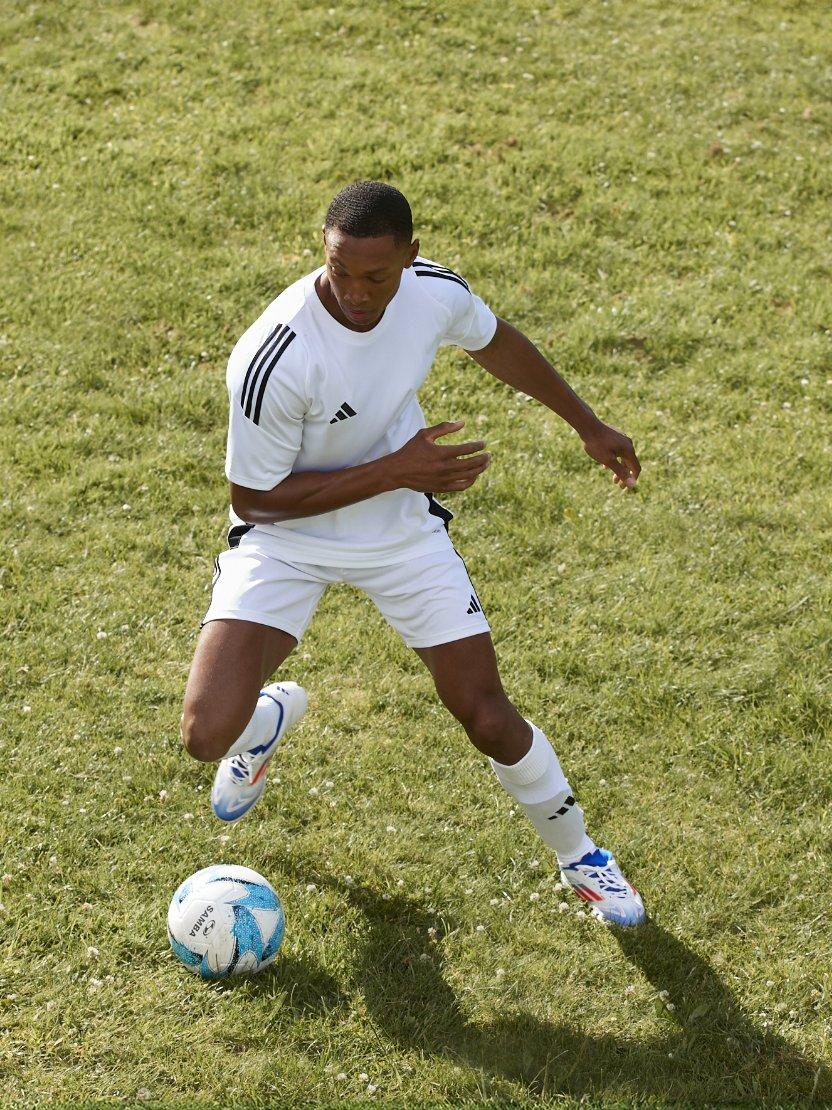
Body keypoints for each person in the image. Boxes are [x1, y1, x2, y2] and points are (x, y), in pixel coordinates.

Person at [180, 180, 645, 926]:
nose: (357, 292)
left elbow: (496, 340)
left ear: (410, 257)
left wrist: (586, 424)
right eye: (340, 270)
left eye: (377, 275)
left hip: (399, 531)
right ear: (322, 252)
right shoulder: (275, 356)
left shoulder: (431, 294)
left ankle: (580, 856)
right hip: (290, 538)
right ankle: (261, 724)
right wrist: (396, 468)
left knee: (486, 714)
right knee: (206, 735)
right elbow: (254, 501)